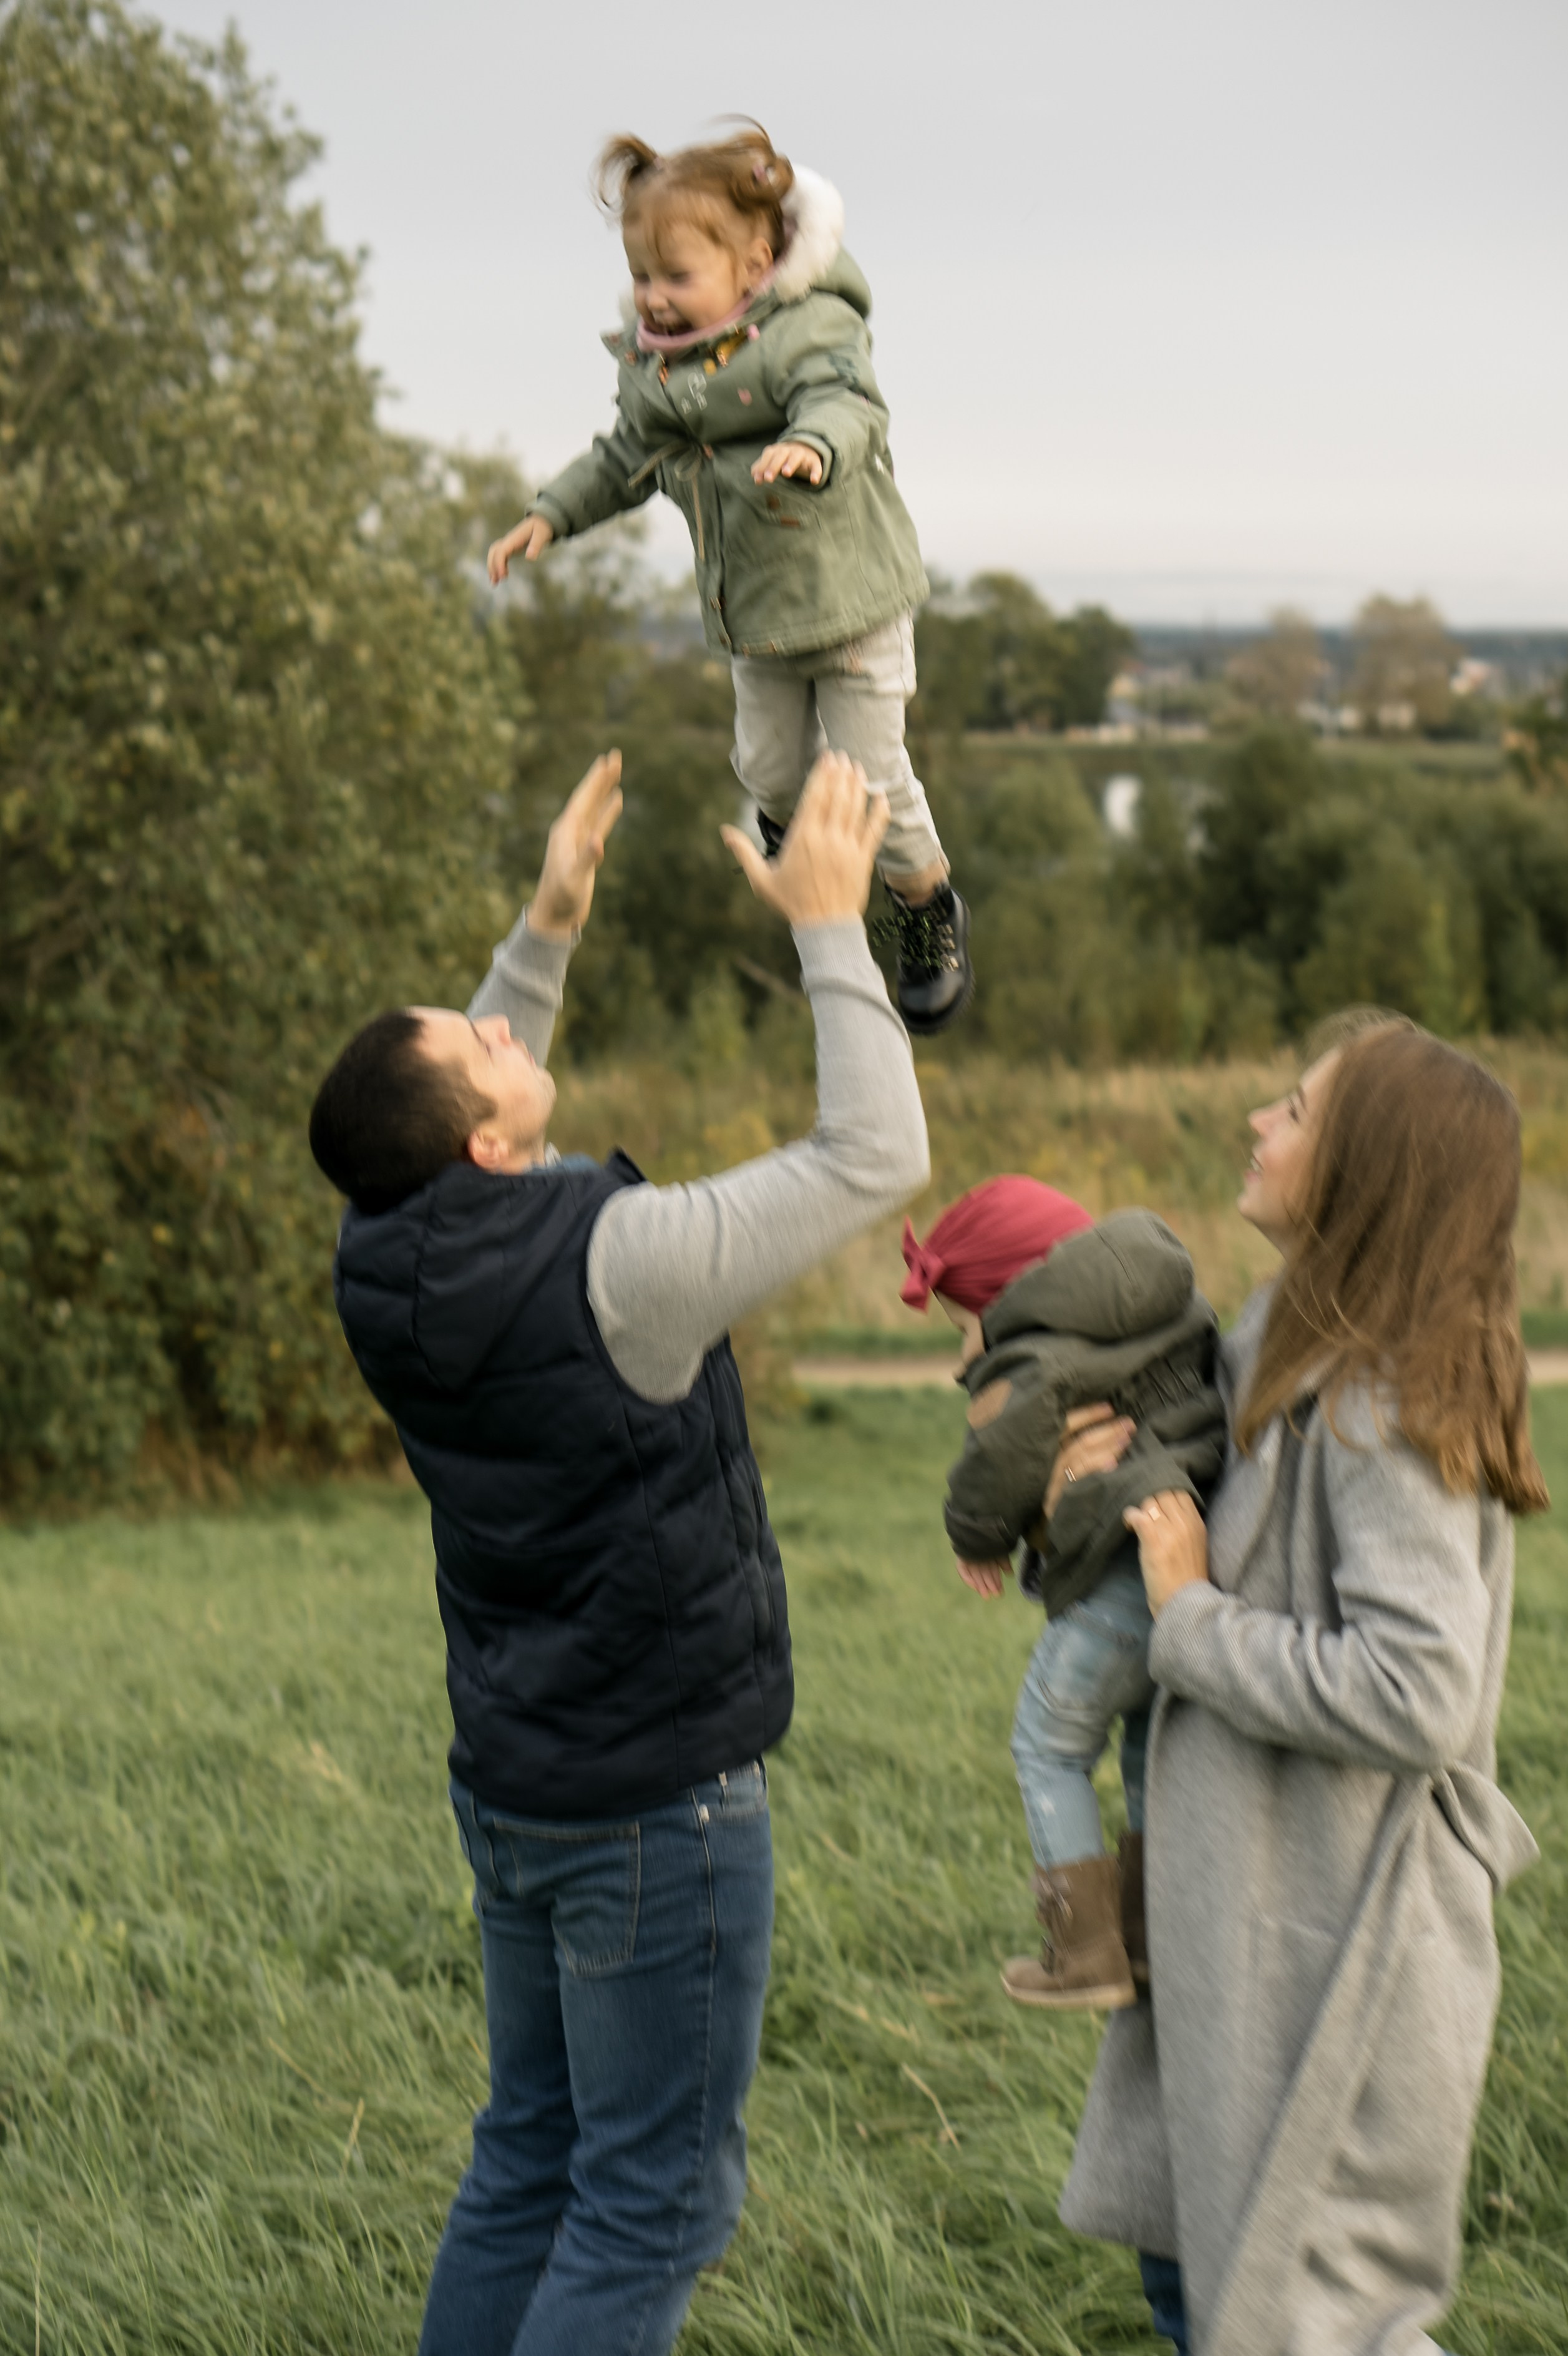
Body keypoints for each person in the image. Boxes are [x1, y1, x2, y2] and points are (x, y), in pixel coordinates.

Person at [306, 748, 928, 2356]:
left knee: (529, 2155)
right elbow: (873, 1158)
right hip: (655, 1806)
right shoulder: (625, 1266)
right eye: (483, 1038)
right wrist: (830, 929)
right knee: (652, 2200)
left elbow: (442, 1123)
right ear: (489, 1152)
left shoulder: (381, 1255)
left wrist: (548, 921)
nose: (500, 1021)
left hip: (517, 1779)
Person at [1053, 1014, 1545, 2356]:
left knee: (1315, 2323)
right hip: (1246, 1925)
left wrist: (1189, 1617)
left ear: (1364, 1171)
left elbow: (1415, 1690)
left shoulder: (1377, 1400)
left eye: (1293, 1108)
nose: (1257, 1122)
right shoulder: (1278, 1354)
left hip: (1339, 1952)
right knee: (1208, 2291)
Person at [484, 122, 973, 1037]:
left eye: (677, 277)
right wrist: (548, 514)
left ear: (755, 263)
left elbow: (847, 402)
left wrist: (810, 444)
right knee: (764, 771)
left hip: (853, 603)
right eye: (641, 276)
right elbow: (623, 457)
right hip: (753, 615)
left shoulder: (807, 331)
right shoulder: (655, 372)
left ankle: (925, 902)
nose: (654, 299)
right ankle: (805, 864)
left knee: (865, 777)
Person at [899, 1179, 1225, 2010]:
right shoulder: (1175, 1309)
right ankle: (1150, 1938)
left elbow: (997, 1462)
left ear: (1005, 1298)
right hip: (1182, 1569)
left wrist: (975, 1537)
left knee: (1048, 1744)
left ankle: (1081, 1951)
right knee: (1147, 1748)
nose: (963, 1353)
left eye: (963, 1326)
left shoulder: (1030, 1354)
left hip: (1111, 1574)